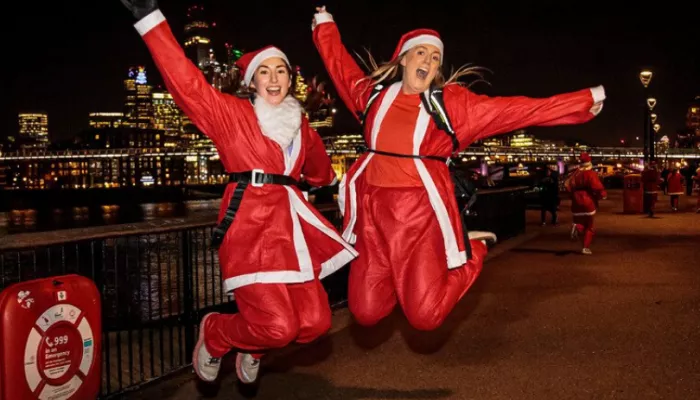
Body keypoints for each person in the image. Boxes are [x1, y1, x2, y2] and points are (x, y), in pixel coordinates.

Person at [311, 6, 606, 330]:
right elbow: (340, 68)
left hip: (418, 214)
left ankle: (472, 250)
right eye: (421, 53)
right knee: (366, 312)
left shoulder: (451, 107)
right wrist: (325, 25)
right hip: (371, 218)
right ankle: (414, 275)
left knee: (425, 317)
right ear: (404, 59)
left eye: (435, 58)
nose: (428, 61)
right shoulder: (372, 98)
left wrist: (580, 103)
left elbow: (517, 111)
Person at [121, 0, 358, 385]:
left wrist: (345, 181)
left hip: (291, 233)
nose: (275, 77)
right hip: (248, 229)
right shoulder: (231, 115)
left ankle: (253, 345)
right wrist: (150, 20)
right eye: (264, 71)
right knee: (278, 327)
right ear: (251, 82)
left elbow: (319, 174)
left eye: (281, 69)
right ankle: (216, 333)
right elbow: (186, 82)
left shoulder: (302, 126)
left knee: (315, 323)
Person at [565, 153, 607, 255]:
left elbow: (567, 186)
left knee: (581, 223)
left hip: (576, 201)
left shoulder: (575, 173)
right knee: (590, 226)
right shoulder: (591, 174)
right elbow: (597, 187)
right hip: (587, 201)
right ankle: (585, 247)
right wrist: (603, 195)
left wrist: (573, 195)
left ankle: (577, 226)